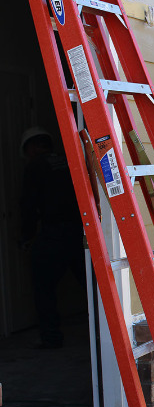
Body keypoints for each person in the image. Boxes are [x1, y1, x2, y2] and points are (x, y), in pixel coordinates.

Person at [19, 126, 86, 349]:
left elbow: (28, 206)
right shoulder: (70, 161)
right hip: (80, 232)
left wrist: (26, 237)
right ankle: (102, 333)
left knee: (44, 287)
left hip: (54, 234)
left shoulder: (35, 167)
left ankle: (51, 338)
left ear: (33, 147)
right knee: (91, 285)